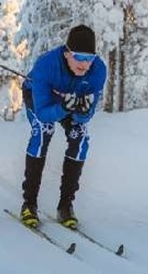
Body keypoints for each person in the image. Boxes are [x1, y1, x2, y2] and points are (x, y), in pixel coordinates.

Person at [19, 24, 107, 230]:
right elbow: (42, 113)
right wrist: (62, 107)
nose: (85, 64)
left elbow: (86, 116)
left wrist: (81, 112)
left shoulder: (98, 70)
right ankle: (29, 204)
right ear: (67, 53)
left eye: (89, 58)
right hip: (41, 99)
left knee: (81, 137)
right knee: (43, 131)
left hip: (68, 101)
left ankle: (65, 206)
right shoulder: (46, 66)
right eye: (79, 57)